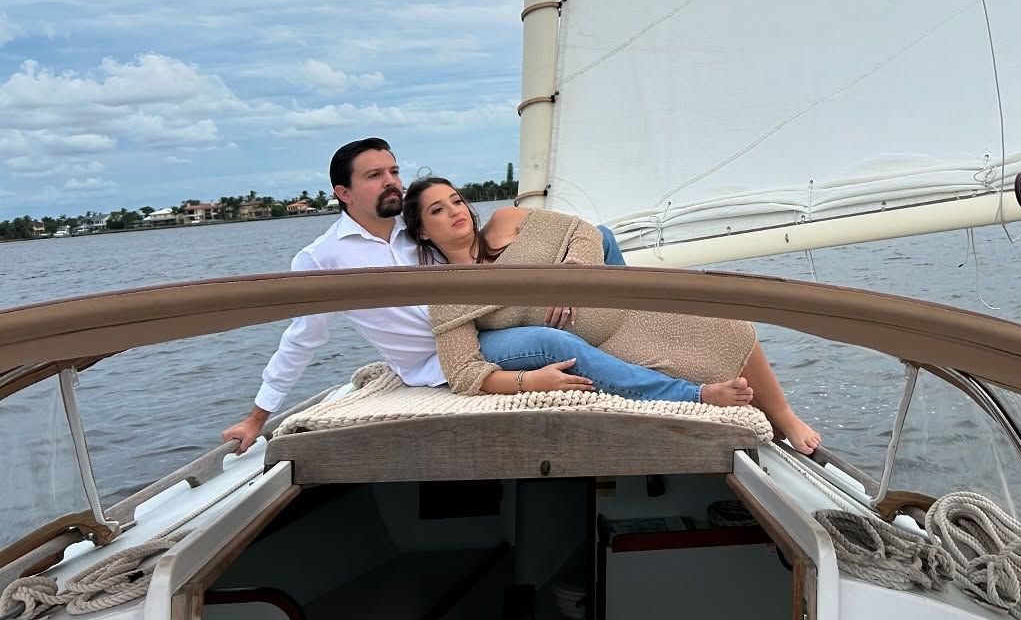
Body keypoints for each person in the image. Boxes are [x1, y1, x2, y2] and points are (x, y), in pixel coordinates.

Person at [220, 138, 692, 453]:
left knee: (600, 241)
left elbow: (488, 256)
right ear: (343, 192)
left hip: (488, 324)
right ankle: (686, 395)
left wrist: (564, 273)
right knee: (551, 342)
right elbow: (302, 339)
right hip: (446, 359)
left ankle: (648, 331)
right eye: (374, 175)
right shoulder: (323, 258)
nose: (391, 181)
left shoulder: (420, 229)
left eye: (394, 171)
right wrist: (257, 418)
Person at [405, 177, 823, 453]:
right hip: (593, 343)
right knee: (669, 361)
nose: (455, 211)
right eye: (437, 210)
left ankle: (783, 416)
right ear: (422, 231)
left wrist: (567, 280)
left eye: (456, 200)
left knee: (726, 323)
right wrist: (529, 381)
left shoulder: (507, 221)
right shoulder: (449, 292)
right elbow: (463, 373)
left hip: (616, 306)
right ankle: (698, 396)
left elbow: (584, 233)